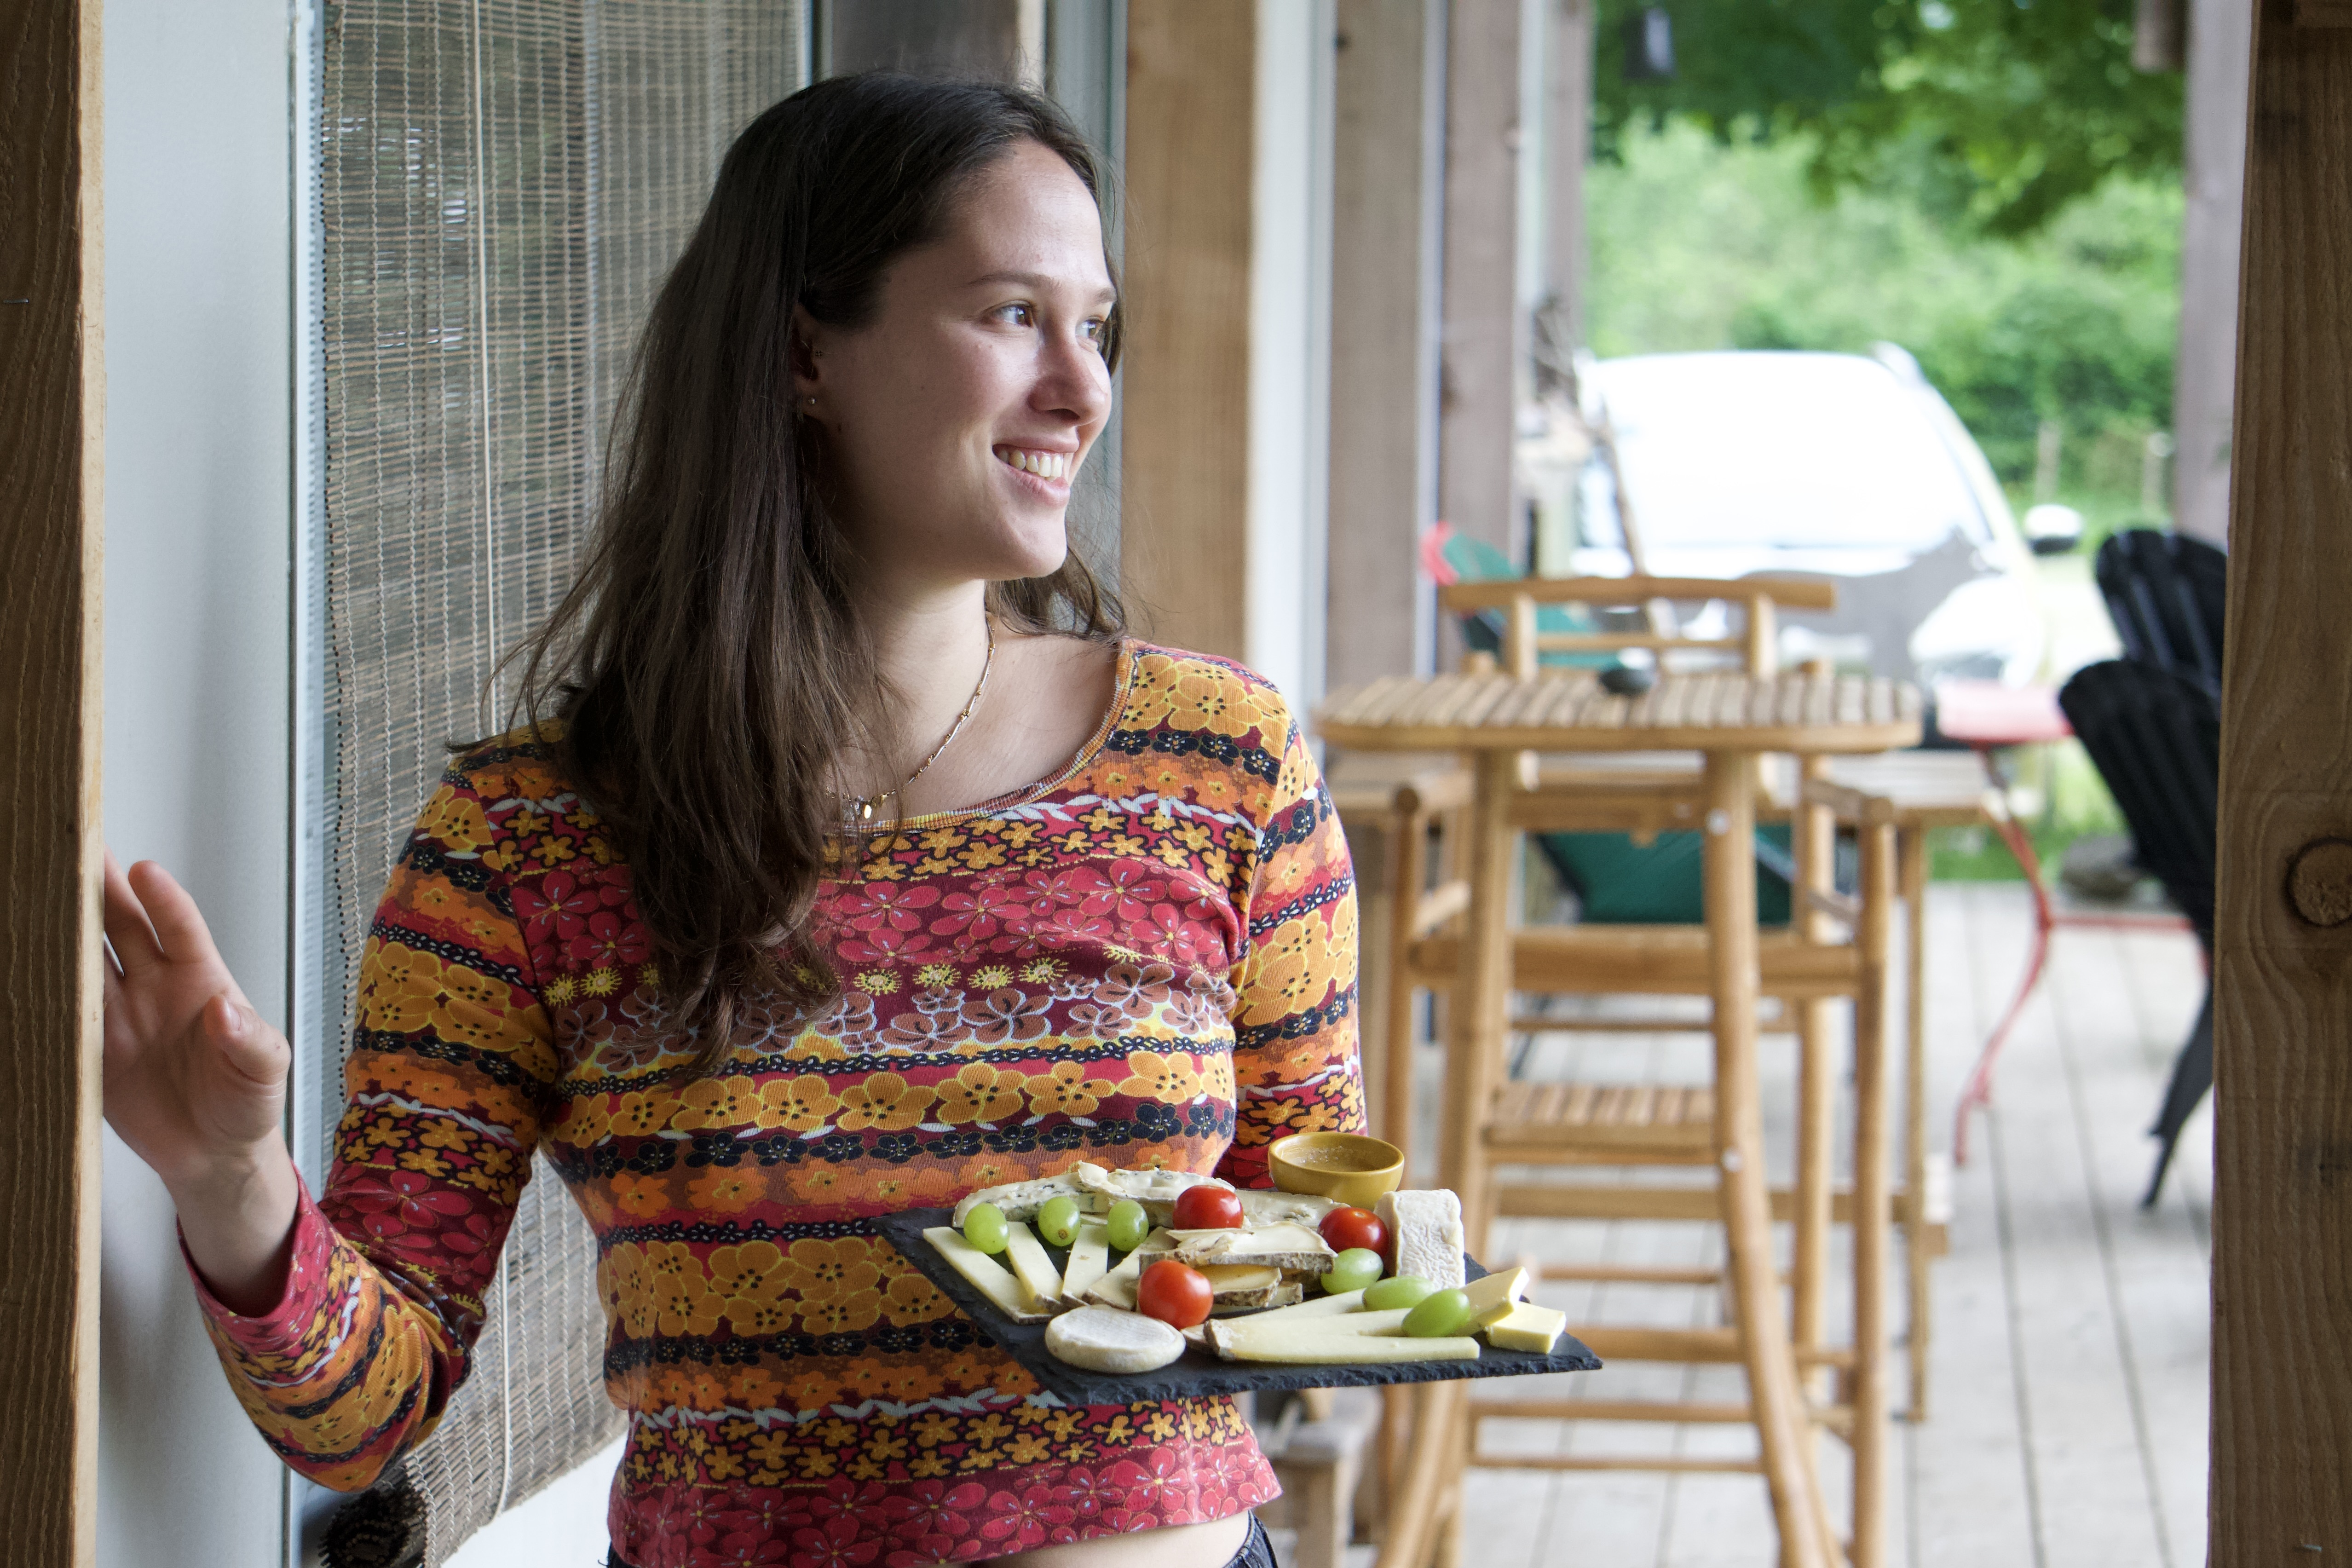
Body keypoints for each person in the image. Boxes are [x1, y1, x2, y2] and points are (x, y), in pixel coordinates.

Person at [100, 73, 1361, 1568]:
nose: (1082, 389)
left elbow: (1314, 1252)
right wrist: (226, 1178)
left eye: (1095, 327)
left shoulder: (1221, 765)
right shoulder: (528, 847)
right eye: (1013, 315)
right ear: (804, 352)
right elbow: (362, 1419)